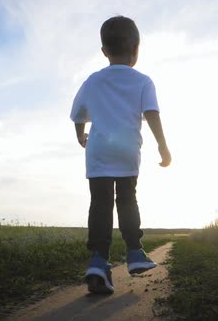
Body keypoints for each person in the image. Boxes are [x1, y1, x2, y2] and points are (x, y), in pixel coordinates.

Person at [70, 15, 171, 294]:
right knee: (127, 199)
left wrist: (81, 135)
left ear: (104, 51)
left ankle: (98, 261)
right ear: (136, 47)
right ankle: (135, 252)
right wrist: (162, 145)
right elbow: (151, 113)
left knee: (100, 205)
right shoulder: (143, 81)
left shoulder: (93, 80)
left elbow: (78, 114)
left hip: (99, 151)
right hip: (127, 151)